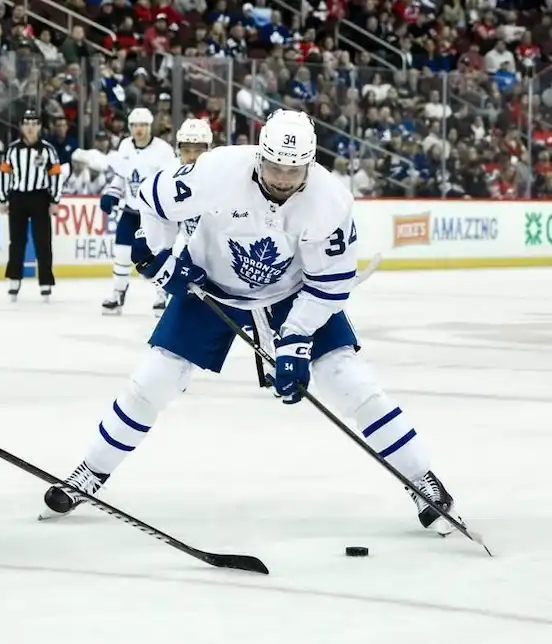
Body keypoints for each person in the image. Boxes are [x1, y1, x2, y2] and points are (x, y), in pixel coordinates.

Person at [38, 109, 467, 537]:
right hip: (209, 286)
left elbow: (330, 286)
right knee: (153, 380)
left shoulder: (331, 200)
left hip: (291, 293)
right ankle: (89, 474)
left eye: (293, 169)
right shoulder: (217, 170)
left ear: (310, 163)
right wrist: (161, 257)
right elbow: (153, 202)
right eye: (274, 166)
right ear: (259, 155)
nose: (282, 178)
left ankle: (421, 481)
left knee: (349, 380)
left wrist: (296, 338)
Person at [99, 107, 176, 316]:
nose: (139, 129)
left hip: (153, 213)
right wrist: (112, 194)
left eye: (143, 125)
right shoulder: (125, 147)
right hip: (131, 210)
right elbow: (121, 177)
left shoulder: (163, 150)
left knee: (158, 253)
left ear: (150, 126)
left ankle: (162, 294)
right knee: (122, 253)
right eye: (135, 125)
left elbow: (170, 179)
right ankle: (118, 293)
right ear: (130, 127)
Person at [145, 118, 213, 317]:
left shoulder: (223, 178)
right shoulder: (171, 179)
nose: (191, 157)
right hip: (193, 248)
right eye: (186, 150)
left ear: (208, 149)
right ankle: (163, 293)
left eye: (198, 150)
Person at [0, 110, 62, 302]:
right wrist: (3, 199)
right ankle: (14, 280)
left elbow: (56, 175)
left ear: (40, 127)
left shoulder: (48, 150)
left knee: (43, 241)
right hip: (17, 198)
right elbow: (4, 175)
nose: (30, 127)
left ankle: (45, 282)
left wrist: (55, 200)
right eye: (27, 123)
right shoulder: (12, 150)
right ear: (21, 126)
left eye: (34, 123)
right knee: (16, 242)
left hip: (40, 198)